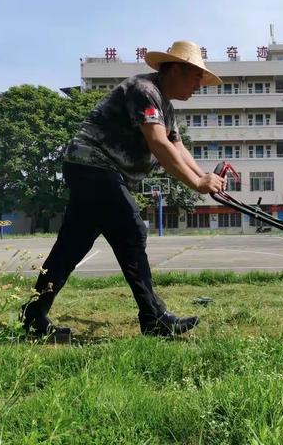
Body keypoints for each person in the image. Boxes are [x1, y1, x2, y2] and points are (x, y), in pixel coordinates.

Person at [21, 40, 225, 338]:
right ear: (177, 70)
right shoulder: (144, 91)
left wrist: (205, 179)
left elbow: (177, 147)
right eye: (196, 77)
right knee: (131, 231)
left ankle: (33, 315)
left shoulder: (164, 106)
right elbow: (158, 143)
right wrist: (196, 183)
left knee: (72, 246)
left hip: (95, 171)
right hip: (92, 165)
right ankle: (154, 318)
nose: (199, 85)